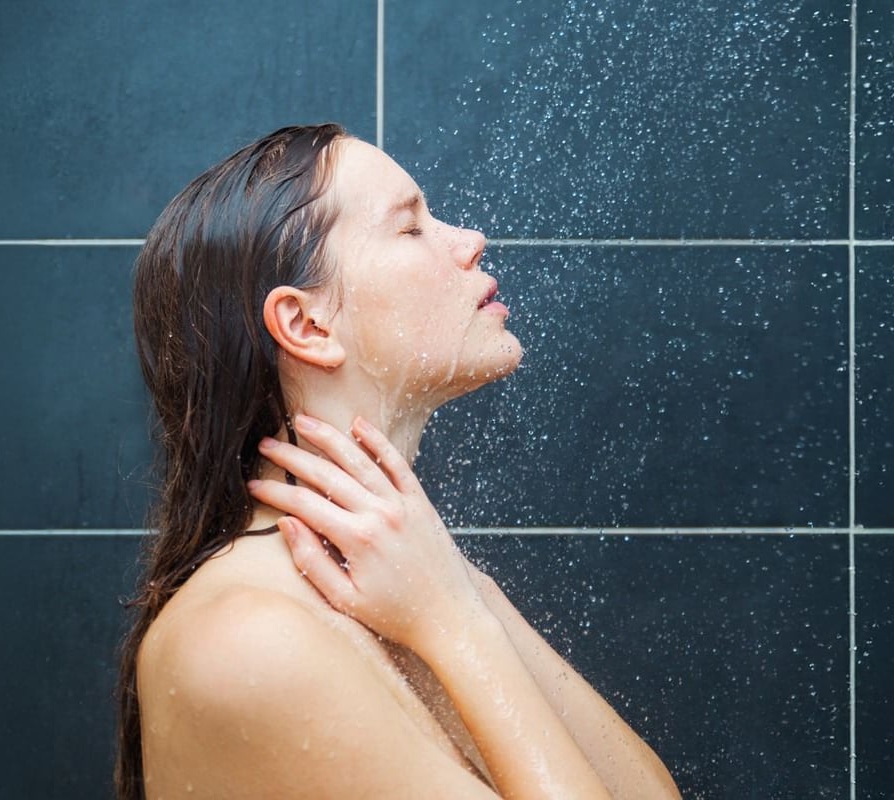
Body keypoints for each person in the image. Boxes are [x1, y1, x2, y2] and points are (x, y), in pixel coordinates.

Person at [116, 123, 681, 799]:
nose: (470, 242)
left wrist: (464, 596)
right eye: (410, 228)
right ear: (306, 325)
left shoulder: (401, 583)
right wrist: (454, 620)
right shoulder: (246, 639)